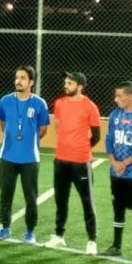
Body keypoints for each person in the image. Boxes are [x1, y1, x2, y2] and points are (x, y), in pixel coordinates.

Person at [0, 66, 50, 244]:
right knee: (5, 195)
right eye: (17, 77)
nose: (18, 81)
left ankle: (30, 232)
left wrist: (29, 141)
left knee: (30, 197)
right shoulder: (5, 101)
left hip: (30, 159)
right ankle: (5, 228)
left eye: (23, 78)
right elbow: (2, 124)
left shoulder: (39, 104)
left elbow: (43, 129)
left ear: (31, 82)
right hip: (7, 157)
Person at [45, 72, 101, 254]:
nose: (66, 85)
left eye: (70, 83)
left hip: (80, 162)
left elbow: (97, 136)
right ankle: (59, 235)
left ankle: (92, 241)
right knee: (61, 200)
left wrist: (82, 148)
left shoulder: (90, 106)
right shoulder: (59, 103)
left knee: (87, 201)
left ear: (80, 86)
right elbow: (58, 127)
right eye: (65, 82)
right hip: (61, 160)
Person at [100, 81, 132, 263]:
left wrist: (124, 163)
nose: (116, 99)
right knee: (118, 208)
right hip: (116, 172)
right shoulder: (115, 115)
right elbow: (109, 139)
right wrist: (114, 162)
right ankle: (116, 246)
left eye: (119, 96)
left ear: (130, 96)